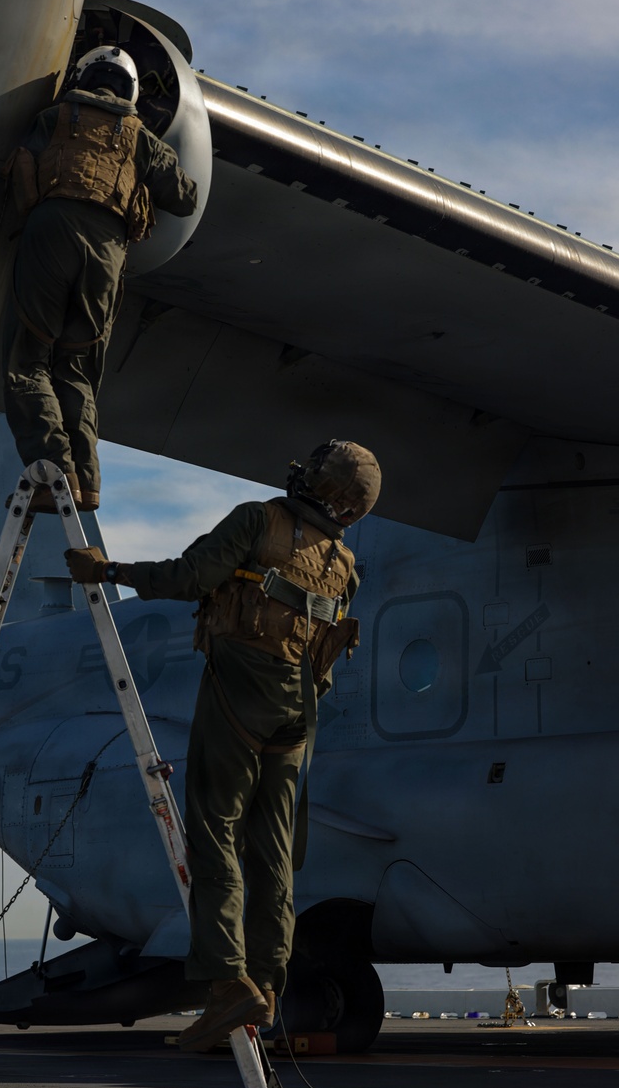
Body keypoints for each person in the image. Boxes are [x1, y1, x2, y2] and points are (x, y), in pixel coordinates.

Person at [65, 440, 382, 1050]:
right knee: (275, 855)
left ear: (320, 485)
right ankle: (265, 985)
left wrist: (107, 572)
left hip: (241, 691)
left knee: (214, 835)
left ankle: (225, 985)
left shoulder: (258, 520)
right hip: (299, 710)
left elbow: (188, 579)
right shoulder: (343, 564)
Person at [1, 46, 198, 511]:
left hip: (50, 233)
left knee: (29, 361)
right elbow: (186, 198)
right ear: (130, 89)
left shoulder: (53, 118)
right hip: (108, 250)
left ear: (83, 76)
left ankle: (52, 472)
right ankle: (85, 484)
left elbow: (20, 163)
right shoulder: (141, 138)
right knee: (77, 369)